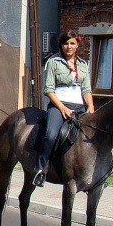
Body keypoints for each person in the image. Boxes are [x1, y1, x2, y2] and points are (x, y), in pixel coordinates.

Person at [33, 30, 95, 186]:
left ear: (77, 45)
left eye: (72, 43)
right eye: (66, 43)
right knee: (51, 134)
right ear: (61, 45)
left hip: (79, 106)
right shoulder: (54, 62)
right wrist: (62, 108)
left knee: (90, 137)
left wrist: (91, 107)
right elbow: (48, 89)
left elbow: (86, 89)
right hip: (58, 104)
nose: (69, 46)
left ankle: (92, 173)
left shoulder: (83, 64)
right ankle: (40, 168)